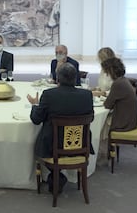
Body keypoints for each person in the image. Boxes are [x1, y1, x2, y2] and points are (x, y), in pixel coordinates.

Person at [27, 62, 94, 193]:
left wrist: (35, 105)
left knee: (40, 142)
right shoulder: (87, 95)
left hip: (52, 147)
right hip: (79, 144)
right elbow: (91, 117)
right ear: (75, 78)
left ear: (58, 78)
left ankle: (56, 176)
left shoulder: (49, 95)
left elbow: (36, 120)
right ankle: (58, 177)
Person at [96, 57, 137, 164]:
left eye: (106, 72)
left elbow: (107, 105)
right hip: (129, 119)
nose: (106, 74)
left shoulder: (117, 84)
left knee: (97, 123)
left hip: (123, 122)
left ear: (110, 71)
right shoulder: (123, 81)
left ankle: (96, 152)